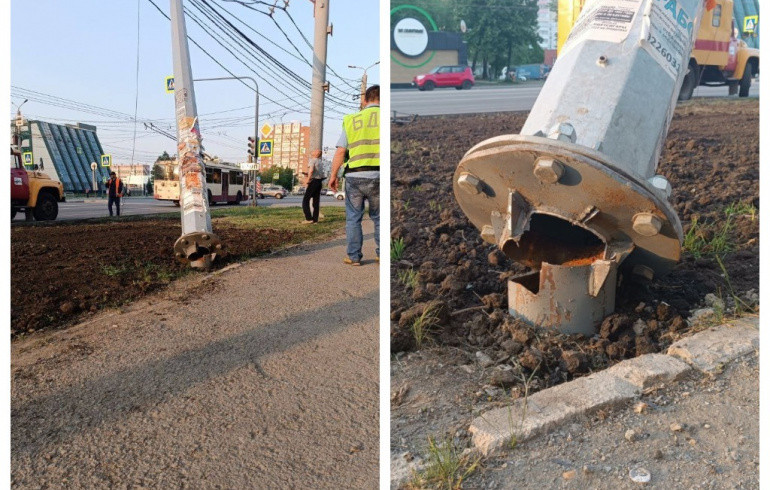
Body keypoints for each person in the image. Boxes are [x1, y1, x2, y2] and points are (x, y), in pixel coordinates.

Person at [329, 85, 380, 266]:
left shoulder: (352, 120)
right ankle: (381, 255)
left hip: (355, 176)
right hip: (379, 175)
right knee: (379, 217)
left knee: (353, 218)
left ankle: (354, 257)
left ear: (364, 100)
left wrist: (333, 175)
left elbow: (341, 151)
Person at [302, 149, 325, 224]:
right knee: (316, 201)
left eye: (314, 150)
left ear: (316, 153)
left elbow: (311, 170)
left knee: (305, 200)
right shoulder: (320, 162)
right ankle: (315, 220)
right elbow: (318, 173)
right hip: (319, 182)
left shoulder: (313, 160)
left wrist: (308, 180)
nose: (313, 151)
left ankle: (308, 219)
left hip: (313, 182)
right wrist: (307, 174)